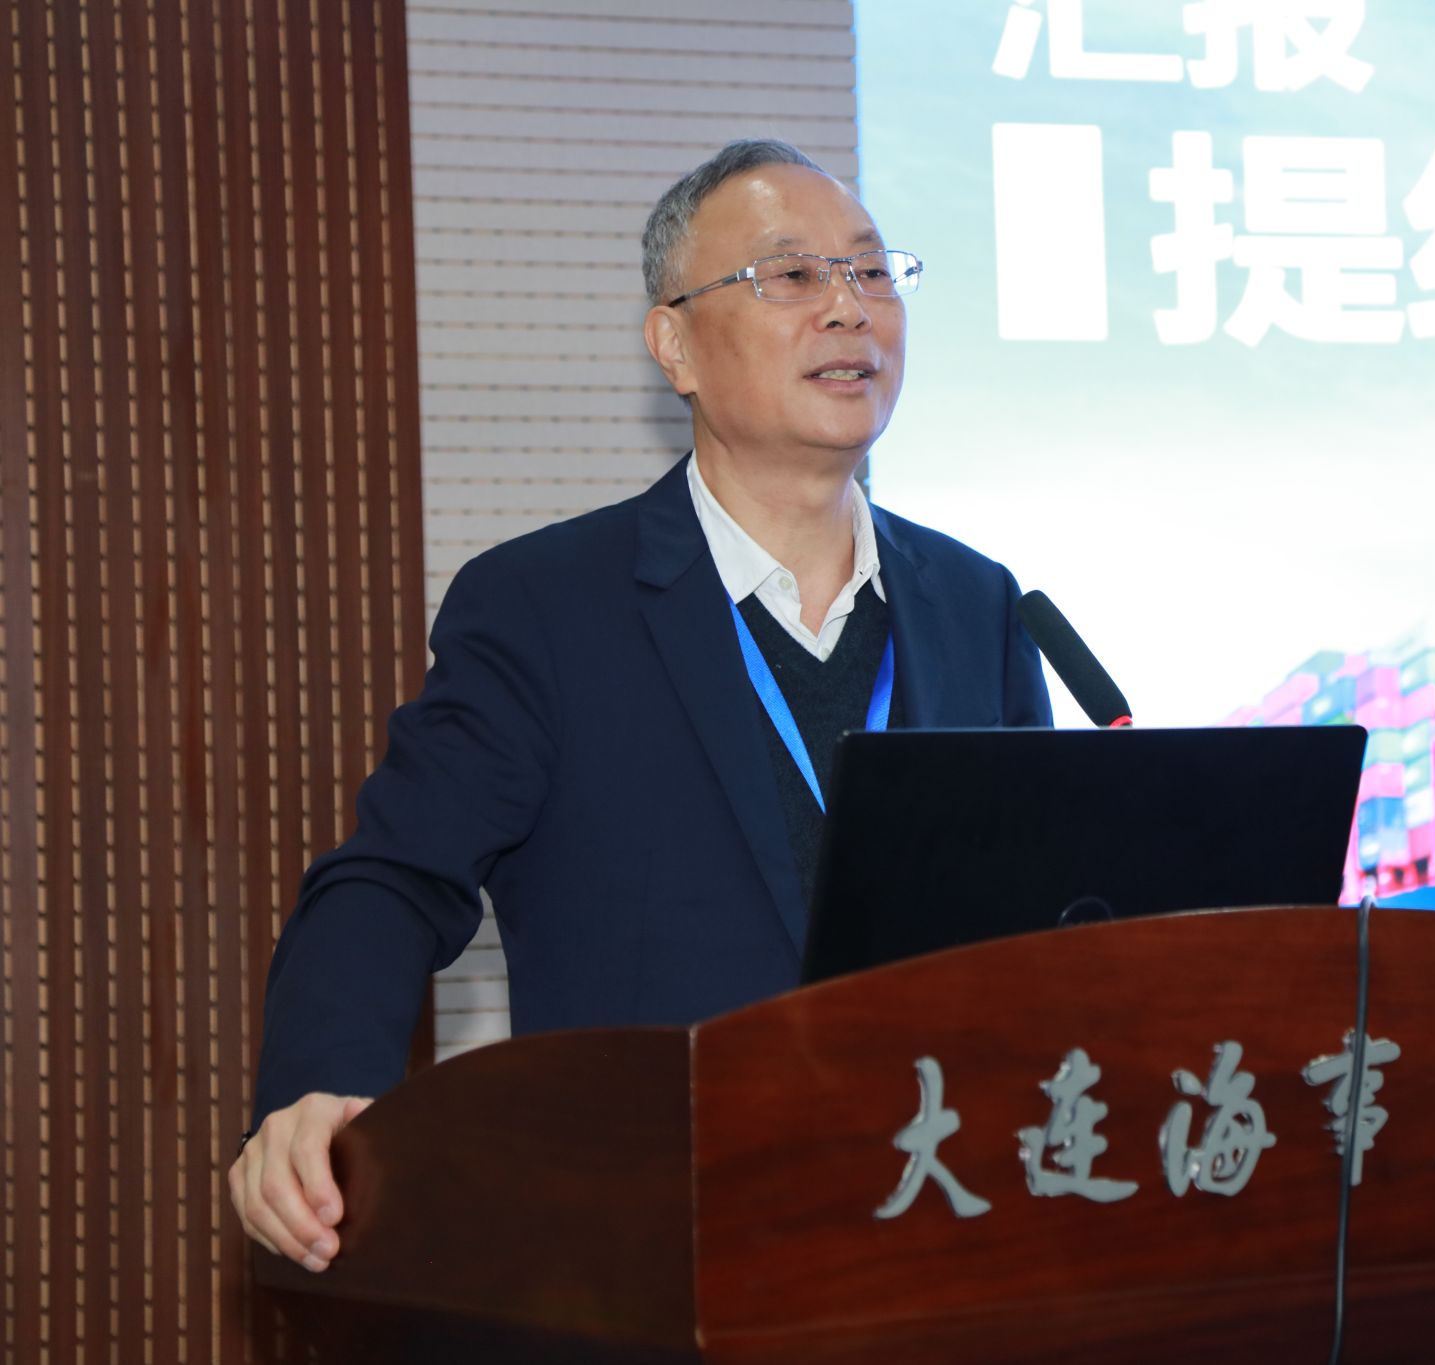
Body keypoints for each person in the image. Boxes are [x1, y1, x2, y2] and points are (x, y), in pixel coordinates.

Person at [228, 140, 1052, 1272]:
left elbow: (1040, 930)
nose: (849, 309)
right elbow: (393, 878)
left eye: (871, 272)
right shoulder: (546, 605)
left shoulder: (977, 602)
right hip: (651, 1242)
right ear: (674, 345)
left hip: (942, 1230)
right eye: (791, 275)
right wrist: (318, 1087)